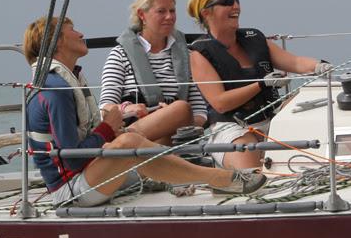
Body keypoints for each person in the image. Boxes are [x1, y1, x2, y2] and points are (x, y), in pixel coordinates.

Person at [24, 16, 266, 207]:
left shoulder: (63, 82)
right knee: (129, 142)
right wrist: (107, 129)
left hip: (88, 175)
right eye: (73, 29)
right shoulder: (54, 89)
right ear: (57, 42)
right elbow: (72, 158)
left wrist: (109, 131)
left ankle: (204, 176)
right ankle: (221, 178)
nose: (81, 34)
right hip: (71, 190)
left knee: (134, 142)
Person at [187, 0, 332, 171]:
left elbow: (295, 62)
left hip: (274, 118)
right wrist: (262, 84)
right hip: (233, 128)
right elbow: (220, 102)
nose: (236, 6)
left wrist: (319, 65)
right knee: (250, 169)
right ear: (206, 12)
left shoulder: (254, 38)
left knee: (318, 99)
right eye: (227, 2)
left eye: (236, 0)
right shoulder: (200, 53)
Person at [100, 0, 208, 144]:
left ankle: (125, 145)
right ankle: (125, 141)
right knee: (180, 108)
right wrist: (128, 108)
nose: (169, 17)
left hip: (174, 138)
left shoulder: (188, 56)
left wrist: (174, 121)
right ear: (142, 15)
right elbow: (105, 108)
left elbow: (200, 113)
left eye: (172, 11)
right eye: (161, 11)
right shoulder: (120, 55)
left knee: (180, 110)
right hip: (134, 129)